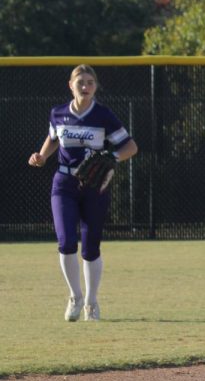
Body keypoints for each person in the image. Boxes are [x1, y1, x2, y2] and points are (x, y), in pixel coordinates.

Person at [27, 64, 138, 322]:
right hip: (64, 182)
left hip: (94, 184)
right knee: (66, 242)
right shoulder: (58, 113)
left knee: (90, 247)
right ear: (71, 85)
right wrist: (42, 156)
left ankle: (91, 301)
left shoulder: (103, 115)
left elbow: (130, 147)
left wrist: (111, 158)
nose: (86, 86)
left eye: (90, 82)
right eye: (81, 82)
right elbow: (54, 138)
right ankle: (75, 296)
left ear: (95, 86)